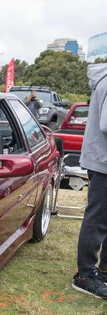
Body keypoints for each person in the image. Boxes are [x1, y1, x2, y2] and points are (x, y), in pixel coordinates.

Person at [72, 62, 107, 299]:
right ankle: (85, 276)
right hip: (103, 163)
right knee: (97, 219)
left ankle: (103, 271)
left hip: (101, 159)